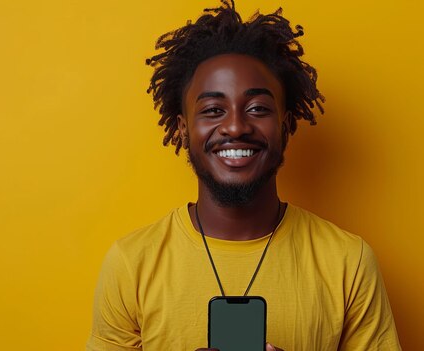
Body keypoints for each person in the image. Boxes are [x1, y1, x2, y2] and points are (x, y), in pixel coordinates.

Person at [86, 1, 401, 350]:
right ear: (183, 129)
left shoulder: (348, 262)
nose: (236, 126)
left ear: (284, 125)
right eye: (213, 110)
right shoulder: (132, 264)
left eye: (257, 109)